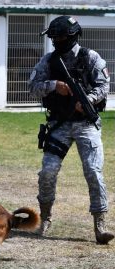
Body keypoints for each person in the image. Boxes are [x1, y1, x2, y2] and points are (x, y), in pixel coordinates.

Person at [28, 15, 114, 244]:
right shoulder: (49, 61)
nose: (56, 40)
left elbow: (104, 85)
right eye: (53, 37)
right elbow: (32, 87)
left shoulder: (91, 57)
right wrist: (54, 86)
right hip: (59, 125)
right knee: (47, 172)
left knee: (94, 172)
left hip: (86, 124)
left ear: (73, 36)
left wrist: (89, 99)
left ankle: (100, 225)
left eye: (61, 36)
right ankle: (45, 218)